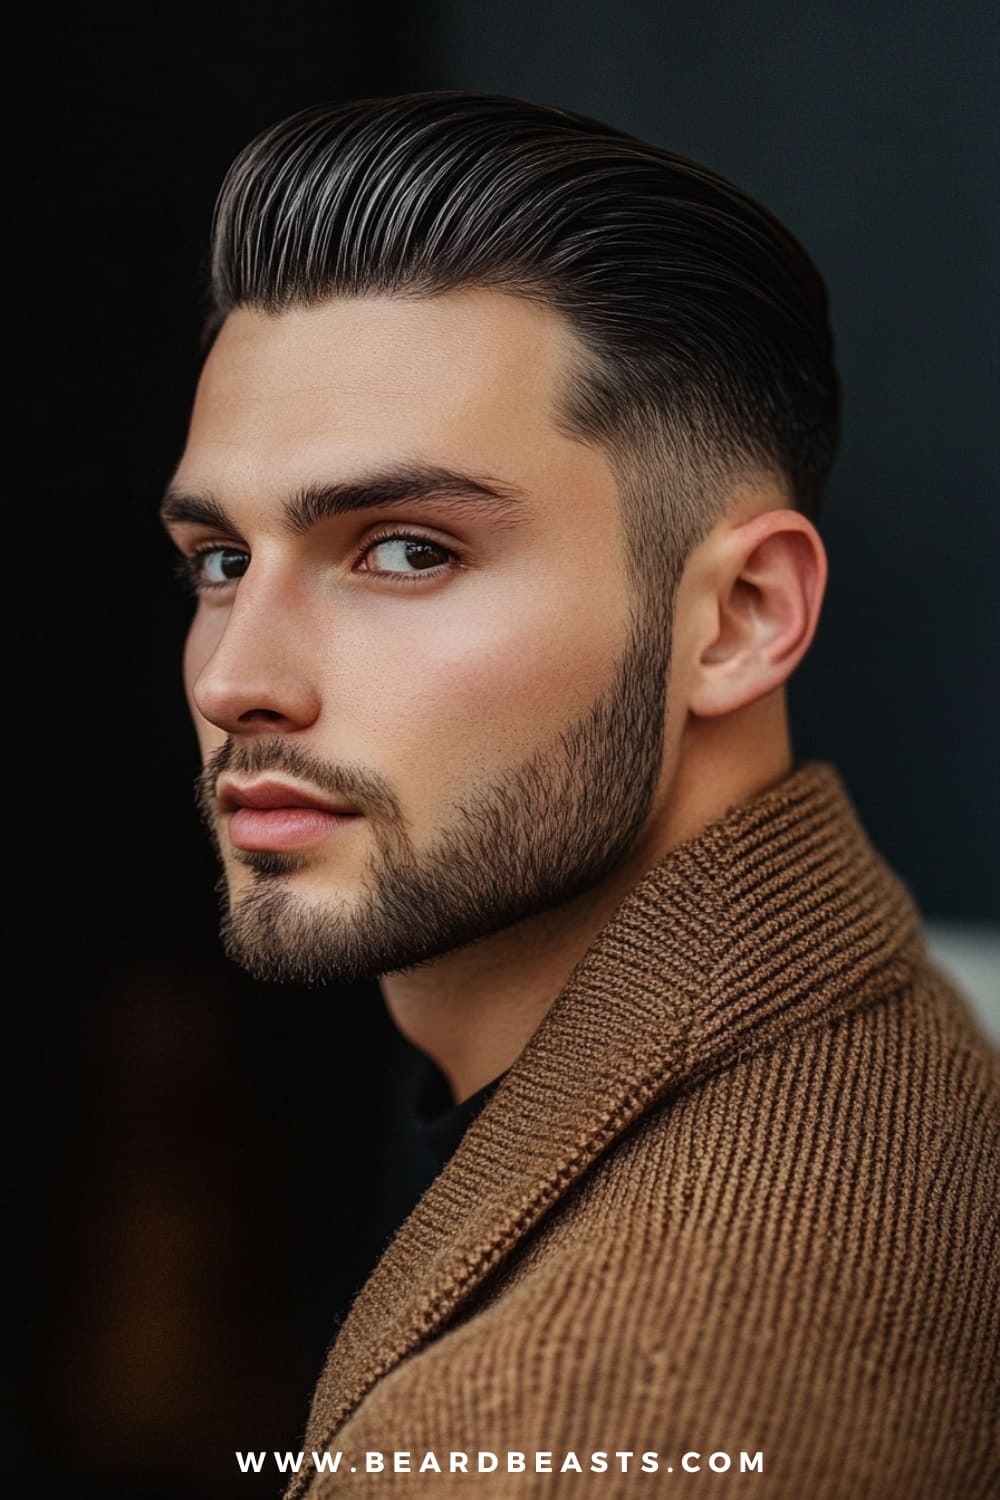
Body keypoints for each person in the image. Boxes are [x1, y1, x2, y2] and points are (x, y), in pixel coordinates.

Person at [161, 92, 998, 1496]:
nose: (237, 680)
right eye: (221, 562)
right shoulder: (879, 1061)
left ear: (737, 615)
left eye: (408, 550)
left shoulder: (582, 1422)